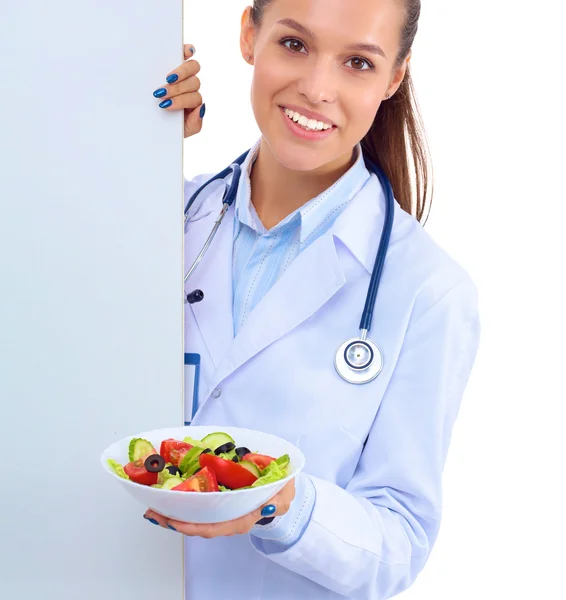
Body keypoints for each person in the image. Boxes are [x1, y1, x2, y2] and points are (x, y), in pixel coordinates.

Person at [145, 1, 481, 598]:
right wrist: (130, 145)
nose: (317, 89)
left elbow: (398, 543)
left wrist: (288, 507)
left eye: (357, 62)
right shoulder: (155, 218)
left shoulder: (428, 290)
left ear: (394, 77)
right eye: (294, 45)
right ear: (249, 35)